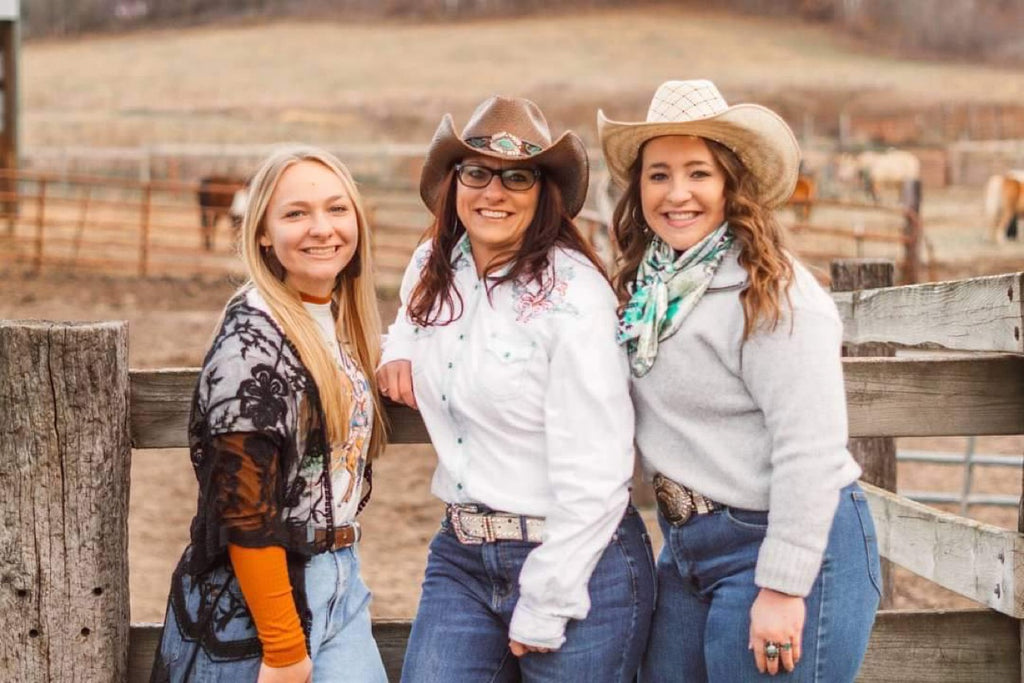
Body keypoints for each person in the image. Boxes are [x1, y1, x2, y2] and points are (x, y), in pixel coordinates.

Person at [598, 79, 881, 681]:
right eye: (658, 175)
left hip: (783, 542)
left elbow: (810, 449)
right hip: (686, 547)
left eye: (698, 173)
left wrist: (783, 587)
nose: (677, 194)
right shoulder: (648, 291)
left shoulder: (773, 295)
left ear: (731, 182)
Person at [377, 95, 655, 682]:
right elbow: (409, 314)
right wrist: (397, 347)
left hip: (575, 556)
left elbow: (601, 470)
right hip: (462, 550)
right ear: (455, 182)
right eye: (476, 172)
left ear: (543, 192)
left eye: (517, 178)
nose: (493, 192)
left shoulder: (574, 297)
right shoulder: (434, 265)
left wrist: (549, 598)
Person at [150, 145, 388, 683]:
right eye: (296, 213)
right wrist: (282, 649)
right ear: (263, 232)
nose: (321, 228)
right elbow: (244, 508)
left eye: (337, 208)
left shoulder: (326, 319)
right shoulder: (253, 344)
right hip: (262, 606)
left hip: (338, 582)